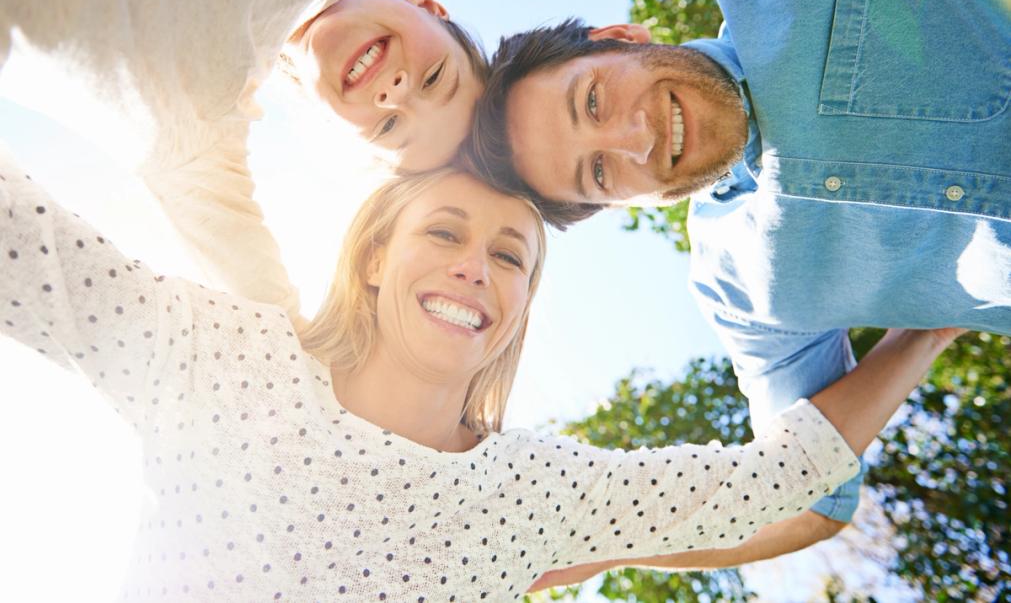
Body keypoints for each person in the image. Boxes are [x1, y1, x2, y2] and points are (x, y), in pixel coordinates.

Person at [1, 145, 961, 600]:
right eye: (446, 232)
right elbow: (34, 253)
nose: (475, 266)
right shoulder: (234, 364)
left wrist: (927, 326)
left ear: (521, 308)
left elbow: (776, 482)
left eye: (510, 256)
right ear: (373, 256)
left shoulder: (535, 491)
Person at [464, 0, 1011, 567]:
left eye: (593, 101)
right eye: (601, 174)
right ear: (617, 206)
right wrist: (557, 556)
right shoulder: (741, 288)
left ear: (620, 39)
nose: (635, 140)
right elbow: (805, 501)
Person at [0, 0, 486, 330]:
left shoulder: (195, 122)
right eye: (435, 77)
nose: (396, 93)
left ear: (341, 131)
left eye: (390, 125)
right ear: (430, 7)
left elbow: (280, 338)